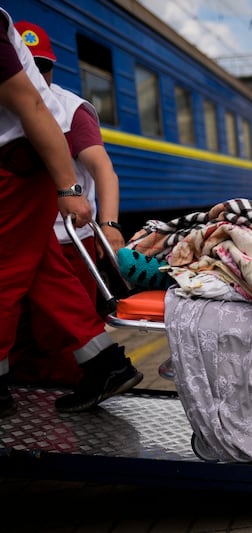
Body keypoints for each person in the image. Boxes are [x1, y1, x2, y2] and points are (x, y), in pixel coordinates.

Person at [0, 8, 142, 417]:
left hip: (21, 172)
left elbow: (101, 167)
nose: (38, 75)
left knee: (5, 276)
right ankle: (105, 364)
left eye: (45, 66)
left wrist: (92, 209)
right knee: (44, 276)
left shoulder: (70, 108)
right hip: (28, 186)